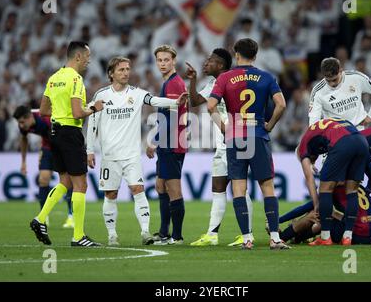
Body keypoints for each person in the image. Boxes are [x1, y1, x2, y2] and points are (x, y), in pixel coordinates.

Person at [86, 56, 187, 246]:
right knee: (110, 194)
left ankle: (145, 232)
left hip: (131, 155)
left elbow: (155, 100)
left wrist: (175, 103)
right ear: (111, 73)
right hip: (109, 156)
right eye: (121, 70)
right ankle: (112, 235)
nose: (125, 73)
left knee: (138, 190)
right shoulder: (101, 95)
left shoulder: (137, 93)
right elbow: (92, 123)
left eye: (127, 69)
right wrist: (89, 150)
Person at [207, 38, 289, 250]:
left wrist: (223, 126)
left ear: (236, 54)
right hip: (258, 134)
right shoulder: (266, 76)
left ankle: (247, 238)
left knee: (238, 188)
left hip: (235, 137)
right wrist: (269, 124)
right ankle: (275, 238)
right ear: (255, 55)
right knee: (267, 187)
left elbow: (210, 106)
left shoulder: (225, 77)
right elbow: (281, 104)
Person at [29, 41, 105, 247]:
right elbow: (78, 113)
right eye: (87, 57)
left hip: (54, 133)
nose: (89, 61)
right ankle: (78, 236)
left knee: (65, 181)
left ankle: (40, 218)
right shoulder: (76, 79)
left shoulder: (54, 78)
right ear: (78, 56)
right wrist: (94, 108)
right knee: (80, 184)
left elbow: (43, 110)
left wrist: (60, 116)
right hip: (70, 133)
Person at [185, 49, 254, 247]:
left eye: (211, 61)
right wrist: (193, 80)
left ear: (221, 65)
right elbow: (195, 101)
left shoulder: (234, 82)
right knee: (217, 188)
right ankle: (212, 234)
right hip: (221, 145)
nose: (206, 63)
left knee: (240, 189)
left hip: (237, 141)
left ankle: (247, 234)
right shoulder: (214, 84)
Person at [296, 118, 370, 246]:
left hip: (342, 143)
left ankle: (325, 237)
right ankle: (348, 237)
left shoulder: (303, 147)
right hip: (362, 141)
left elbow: (309, 179)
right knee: (352, 191)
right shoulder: (326, 126)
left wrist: (316, 204)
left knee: (325, 190)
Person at [146, 45, 188, 245]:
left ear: (174, 61)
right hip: (169, 142)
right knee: (160, 186)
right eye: (159, 60)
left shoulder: (173, 84)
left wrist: (154, 141)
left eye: (166, 60)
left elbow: (171, 118)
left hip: (171, 143)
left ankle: (176, 236)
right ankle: (164, 233)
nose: (162, 63)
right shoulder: (171, 82)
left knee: (173, 189)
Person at [13, 105, 74, 228]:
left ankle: (71, 216)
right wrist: (23, 162)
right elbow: (24, 140)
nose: (20, 125)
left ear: (30, 117)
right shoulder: (24, 126)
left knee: (67, 182)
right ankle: (44, 217)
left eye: (22, 122)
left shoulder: (46, 119)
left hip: (62, 148)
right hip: (47, 149)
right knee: (43, 179)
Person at [278, 185, 371, 245]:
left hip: (356, 235)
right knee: (328, 214)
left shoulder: (334, 186)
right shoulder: (357, 185)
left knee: (315, 213)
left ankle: (283, 236)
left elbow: (308, 206)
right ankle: (297, 237)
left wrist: (277, 220)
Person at [309, 57, 371, 130]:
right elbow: (313, 122)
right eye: (328, 81)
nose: (332, 84)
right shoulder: (317, 91)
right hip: (337, 134)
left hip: (360, 129)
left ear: (341, 70)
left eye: (335, 80)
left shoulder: (355, 77)